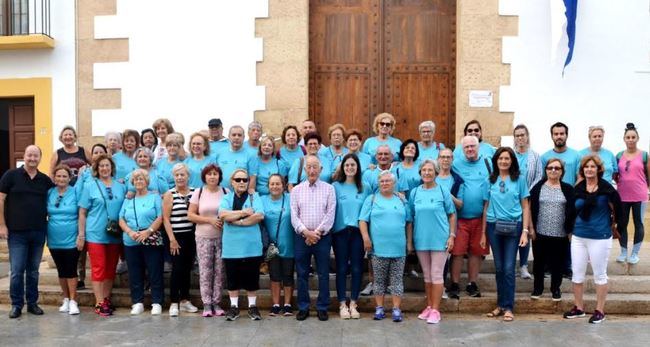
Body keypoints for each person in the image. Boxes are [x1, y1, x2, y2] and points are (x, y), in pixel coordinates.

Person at [563, 155, 623, 324]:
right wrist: (569, 230)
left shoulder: (607, 189)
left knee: (600, 275)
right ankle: (579, 308)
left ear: (598, 169)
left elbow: (619, 209)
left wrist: (618, 228)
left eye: (593, 166)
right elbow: (571, 211)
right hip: (579, 237)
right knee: (577, 274)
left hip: (600, 237)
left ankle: (600, 311)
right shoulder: (578, 188)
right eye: (586, 167)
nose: (589, 169)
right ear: (582, 170)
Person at [0, 145, 54, 319]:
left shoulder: (44, 180)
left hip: (38, 232)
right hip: (17, 233)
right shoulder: (10, 176)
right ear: (24, 156)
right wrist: (2, 225)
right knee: (16, 270)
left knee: (33, 271)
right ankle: (16, 305)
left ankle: (32, 303)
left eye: (36, 156)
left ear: (40, 158)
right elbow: (1, 200)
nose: (32, 158)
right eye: (29, 155)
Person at [482, 147, 530, 322]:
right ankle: (500, 305)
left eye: (507, 158)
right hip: (494, 226)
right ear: (496, 160)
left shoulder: (519, 180)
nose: (503, 161)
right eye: (501, 158)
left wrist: (525, 231)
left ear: (512, 161)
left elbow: (525, 205)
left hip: (514, 227)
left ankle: (509, 307)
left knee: (509, 268)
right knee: (499, 268)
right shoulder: (490, 180)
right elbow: (485, 207)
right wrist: (482, 233)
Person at [359, 170, 412, 322]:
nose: (385, 183)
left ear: (394, 184)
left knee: (396, 280)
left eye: (388, 181)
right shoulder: (372, 199)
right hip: (378, 248)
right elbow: (362, 220)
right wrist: (366, 238)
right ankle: (379, 308)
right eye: (382, 181)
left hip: (398, 248)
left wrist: (409, 243)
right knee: (379, 280)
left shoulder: (402, 200)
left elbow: (409, 222)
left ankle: (396, 309)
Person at [77, 154, 126, 316]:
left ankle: (106, 299)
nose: (105, 168)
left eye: (107, 165)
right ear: (96, 169)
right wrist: (81, 235)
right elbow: (82, 212)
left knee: (111, 268)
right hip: (95, 233)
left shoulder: (120, 186)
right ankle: (99, 302)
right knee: (99, 268)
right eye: (101, 166)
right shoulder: (90, 186)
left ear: (112, 168)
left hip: (114, 234)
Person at [408, 160, 456, 324]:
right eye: (424, 170)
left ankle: (436, 310)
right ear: (420, 173)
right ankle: (429, 306)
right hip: (421, 239)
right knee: (427, 275)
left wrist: (452, 235)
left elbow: (452, 214)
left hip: (440, 239)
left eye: (430, 170)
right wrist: (410, 241)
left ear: (436, 173)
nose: (427, 173)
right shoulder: (414, 192)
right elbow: (411, 217)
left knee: (436, 274)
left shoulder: (443, 191)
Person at [290, 155, 336, 321]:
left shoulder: (329, 189)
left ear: (321, 170)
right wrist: (305, 232)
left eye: (315, 167)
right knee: (302, 273)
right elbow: (294, 216)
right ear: (304, 170)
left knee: (323, 273)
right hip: (301, 238)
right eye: (308, 167)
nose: (311, 170)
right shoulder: (296, 190)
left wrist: (316, 233)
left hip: (322, 238)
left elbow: (330, 214)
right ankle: (303, 307)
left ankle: (322, 307)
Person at [219, 169, 265, 321]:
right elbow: (223, 215)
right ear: (232, 182)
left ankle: (252, 307)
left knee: (252, 279)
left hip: (251, 246)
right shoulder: (226, 198)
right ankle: (234, 307)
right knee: (233, 280)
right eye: (238, 180)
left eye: (245, 180)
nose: (241, 182)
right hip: (231, 247)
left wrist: (237, 221)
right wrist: (245, 213)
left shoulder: (254, 196)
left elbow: (259, 215)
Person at [449, 136, 490, 299]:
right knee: (457, 252)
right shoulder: (456, 163)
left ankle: (472, 283)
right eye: (466, 147)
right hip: (459, 217)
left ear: (478, 146)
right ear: (462, 149)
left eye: (473, 146)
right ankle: (454, 283)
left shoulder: (488, 163)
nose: (470, 149)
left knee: (476, 252)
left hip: (480, 217)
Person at [119, 169, 165, 315]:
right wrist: (130, 232)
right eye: (136, 179)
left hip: (150, 238)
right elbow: (121, 219)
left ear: (147, 181)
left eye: (141, 179)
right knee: (134, 272)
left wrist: (148, 231)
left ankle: (157, 301)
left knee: (155, 271)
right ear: (132, 182)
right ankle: (137, 302)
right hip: (131, 239)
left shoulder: (155, 197)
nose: (139, 181)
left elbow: (160, 217)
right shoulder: (128, 200)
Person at [529, 158, 576, 301]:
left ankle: (556, 288)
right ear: (546, 170)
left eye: (557, 168)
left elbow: (572, 211)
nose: (553, 170)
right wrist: (531, 228)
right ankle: (538, 288)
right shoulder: (538, 187)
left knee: (558, 264)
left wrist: (570, 231)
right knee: (539, 263)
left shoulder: (568, 189)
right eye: (550, 168)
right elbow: (530, 208)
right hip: (540, 232)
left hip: (560, 234)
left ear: (562, 171)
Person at [332, 154, 370, 319]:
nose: (349, 168)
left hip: (358, 233)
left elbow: (372, 206)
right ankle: (342, 304)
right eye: (347, 165)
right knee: (341, 269)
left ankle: (353, 303)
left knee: (356, 268)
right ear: (342, 167)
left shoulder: (365, 187)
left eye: (353, 165)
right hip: (340, 232)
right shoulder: (335, 186)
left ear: (357, 167)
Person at [187, 164, 227, 317]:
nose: (212, 176)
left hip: (222, 237)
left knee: (219, 271)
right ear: (204, 177)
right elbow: (190, 215)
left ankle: (217, 302)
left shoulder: (225, 191)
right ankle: (207, 304)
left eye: (215, 174)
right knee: (205, 271)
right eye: (209, 174)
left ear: (219, 176)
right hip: (203, 237)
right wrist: (209, 220)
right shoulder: (199, 192)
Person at [162, 163, 199, 317]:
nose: (179, 177)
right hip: (175, 236)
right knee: (177, 269)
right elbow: (165, 218)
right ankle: (174, 302)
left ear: (188, 176)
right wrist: (171, 239)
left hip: (191, 236)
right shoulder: (169, 194)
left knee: (186, 268)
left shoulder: (195, 192)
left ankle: (185, 300)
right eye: (177, 175)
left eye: (182, 174)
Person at [47, 165, 83, 315]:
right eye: (59, 176)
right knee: (61, 270)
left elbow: (82, 213)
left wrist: (81, 235)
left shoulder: (75, 192)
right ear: (54, 178)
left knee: (71, 269)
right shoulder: (49, 192)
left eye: (64, 176)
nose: (61, 179)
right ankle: (66, 299)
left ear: (70, 178)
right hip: (54, 237)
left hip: (71, 237)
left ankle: (74, 301)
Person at [614, 123, 649, 264]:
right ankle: (623, 253)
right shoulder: (618, 155)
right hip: (622, 195)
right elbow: (615, 174)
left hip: (639, 196)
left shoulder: (645, 155)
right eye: (628, 137)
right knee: (622, 223)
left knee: (638, 223)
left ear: (637, 138)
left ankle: (634, 254)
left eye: (633, 137)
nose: (631, 139)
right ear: (624, 139)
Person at [262, 174, 295, 316]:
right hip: (271, 246)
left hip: (289, 243)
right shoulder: (262, 200)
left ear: (283, 185)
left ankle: (287, 304)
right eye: (272, 184)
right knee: (274, 275)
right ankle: (275, 304)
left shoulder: (290, 199)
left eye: (278, 184)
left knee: (288, 275)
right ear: (268, 186)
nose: (275, 186)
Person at [513, 124, 542, 279]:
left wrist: (528, 192)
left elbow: (539, 176)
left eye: (522, 135)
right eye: (517, 135)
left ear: (527, 136)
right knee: (513, 231)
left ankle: (523, 265)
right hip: (512, 200)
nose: (520, 138)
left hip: (529, 199)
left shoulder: (535, 156)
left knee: (526, 231)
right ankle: (511, 264)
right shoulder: (511, 155)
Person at [541, 122, 581, 186]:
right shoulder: (544, 157)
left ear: (567, 135)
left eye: (562, 134)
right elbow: (542, 179)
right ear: (552, 136)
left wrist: (572, 192)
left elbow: (580, 178)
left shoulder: (576, 156)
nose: (559, 136)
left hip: (571, 194)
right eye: (556, 134)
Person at [216, 125, 255, 191]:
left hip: (241, 194)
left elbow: (253, 177)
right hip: (222, 193)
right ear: (229, 136)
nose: (236, 137)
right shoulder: (220, 153)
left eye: (239, 135)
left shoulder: (250, 155)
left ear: (243, 137)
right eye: (234, 135)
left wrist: (249, 196)